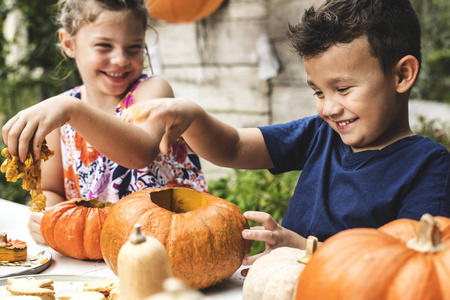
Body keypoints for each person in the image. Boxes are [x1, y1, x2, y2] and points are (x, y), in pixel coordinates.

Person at [126, 0, 450, 265]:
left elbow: (411, 267)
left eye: (343, 88)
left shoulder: (429, 166)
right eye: (319, 93)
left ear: (403, 74)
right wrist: (193, 117)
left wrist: (304, 249)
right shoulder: (320, 133)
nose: (329, 108)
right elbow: (235, 147)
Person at [1, 0, 207, 244]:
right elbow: (52, 190)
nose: (120, 59)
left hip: (173, 243)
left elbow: (141, 152)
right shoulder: (61, 113)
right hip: (98, 253)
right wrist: (47, 217)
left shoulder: (152, 91)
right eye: (104, 46)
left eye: (133, 48)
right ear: (69, 43)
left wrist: (71, 110)